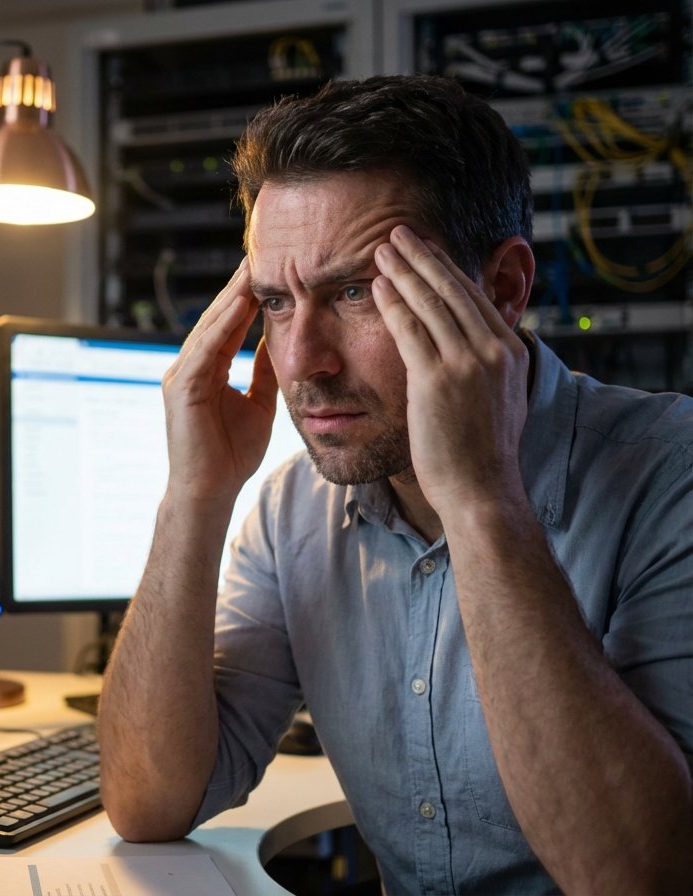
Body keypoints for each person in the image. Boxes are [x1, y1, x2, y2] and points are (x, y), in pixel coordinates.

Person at [98, 75, 693, 894]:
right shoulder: (290, 510)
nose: (303, 361)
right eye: (274, 301)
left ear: (503, 289)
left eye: (353, 292)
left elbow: (641, 877)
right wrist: (194, 498)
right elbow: (147, 801)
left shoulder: (673, 471)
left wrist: (482, 503)